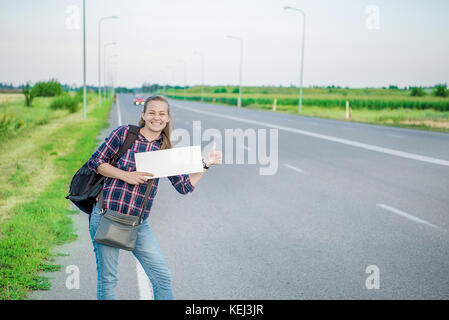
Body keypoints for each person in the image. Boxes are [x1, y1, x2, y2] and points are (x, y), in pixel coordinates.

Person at [87, 95, 222, 300]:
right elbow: (96, 162)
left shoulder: (166, 151)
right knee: (108, 280)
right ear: (143, 115)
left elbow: (184, 187)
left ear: (167, 119)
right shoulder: (124, 134)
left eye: (161, 114)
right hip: (107, 216)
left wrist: (206, 164)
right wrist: (127, 176)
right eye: (151, 112)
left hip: (137, 224)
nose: (156, 117)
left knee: (162, 278)